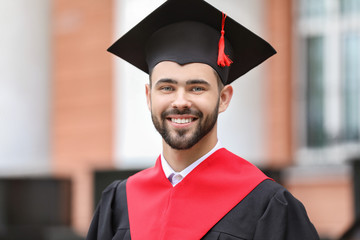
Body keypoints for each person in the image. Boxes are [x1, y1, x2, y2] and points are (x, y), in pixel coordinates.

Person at [86, 0, 320, 239]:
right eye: (167, 87)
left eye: (197, 88)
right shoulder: (119, 203)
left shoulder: (266, 205)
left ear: (224, 98)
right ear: (149, 96)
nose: (180, 102)